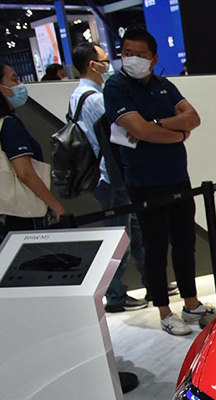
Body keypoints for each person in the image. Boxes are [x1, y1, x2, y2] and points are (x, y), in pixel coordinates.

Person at [103, 26, 214, 336]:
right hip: (144, 180)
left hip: (177, 175)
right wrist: (176, 134)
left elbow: (193, 118)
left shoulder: (164, 85)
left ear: (153, 57)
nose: (132, 59)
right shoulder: (116, 87)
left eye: (140, 54)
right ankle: (164, 310)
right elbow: (138, 129)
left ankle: (191, 303)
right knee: (155, 246)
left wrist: (156, 124)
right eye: (127, 53)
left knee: (184, 242)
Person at [69, 41, 147, 313]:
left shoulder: (77, 95)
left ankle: (150, 282)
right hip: (110, 176)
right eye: (104, 60)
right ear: (93, 65)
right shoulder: (95, 99)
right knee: (119, 237)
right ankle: (115, 295)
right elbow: (123, 131)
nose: (109, 64)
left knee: (131, 231)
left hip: (105, 176)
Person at [0, 59, 65, 234]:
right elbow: (25, 173)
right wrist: (56, 206)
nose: (19, 84)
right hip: (21, 214)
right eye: (14, 79)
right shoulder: (9, 125)